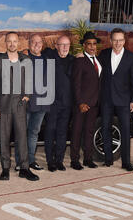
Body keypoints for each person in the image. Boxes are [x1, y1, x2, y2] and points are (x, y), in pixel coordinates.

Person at [0, 32, 39, 181]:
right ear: (5, 43)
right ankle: (5, 168)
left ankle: (24, 168)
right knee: (4, 137)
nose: (12, 44)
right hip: (3, 105)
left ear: (19, 43)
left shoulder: (26, 60)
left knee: (22, 137)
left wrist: (27, 95)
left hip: (19, 104)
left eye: (15, 41)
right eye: (9, 41)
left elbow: (30, 79)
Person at [99, 28, 133, 172]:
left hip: (124, 100)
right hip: (106, 99)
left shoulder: (132, 58)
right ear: (110, 40)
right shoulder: (103, 54)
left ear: (124, 41)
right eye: (115, 40)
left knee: (125, 131)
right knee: (105, 128)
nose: (117, 43)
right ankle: (108, 159)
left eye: (120, 40)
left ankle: (126, 162)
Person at [14, 34, 50, 171]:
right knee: (21, 133)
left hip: (41, 103)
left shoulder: (47, 59)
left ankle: (31, 160)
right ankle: (20, 162)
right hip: (25, 102)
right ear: (29, 44)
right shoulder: (23, 57)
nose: (36, 44)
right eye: (33, 42)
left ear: (42, 44)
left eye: (39, 42)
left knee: (34, 132)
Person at [70, 32, 101, 170]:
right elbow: (75, 84)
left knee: (89, 132)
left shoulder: (99, 61)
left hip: (94, 104)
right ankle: (74, 160)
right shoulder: (79, 61)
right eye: (89, 44)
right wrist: (80, 103)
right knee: (76, 132)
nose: (92, 46)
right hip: (81, 104)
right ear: (84, 45)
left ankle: (88, 159)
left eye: (94, 44)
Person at [43, 36, 74, 172]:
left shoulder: (74, 60)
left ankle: (59, 161)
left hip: (67, 103)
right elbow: (41, 51)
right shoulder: (50, 56)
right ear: (56, 46)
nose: (65, 48)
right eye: (62, 45)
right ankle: (50, 161)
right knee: (50, 132)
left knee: (62, 132)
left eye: (67, 45)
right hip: (52, 103)